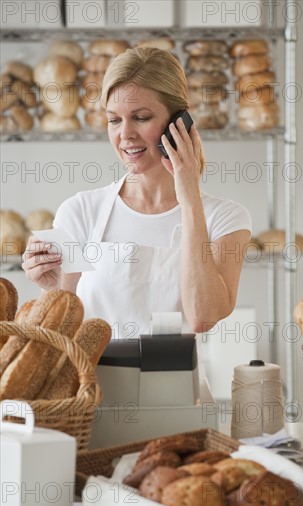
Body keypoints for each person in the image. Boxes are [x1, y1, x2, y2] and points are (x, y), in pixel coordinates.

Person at [22, 47, 252, 338]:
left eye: (141, 117)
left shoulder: (225, 218)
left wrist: (190, 198)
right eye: (114, 120)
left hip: (176, 383)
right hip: (95, 382)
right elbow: (63, 333)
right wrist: (51, 288)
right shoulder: (80, 211)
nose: (125, 134)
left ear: (178, 123)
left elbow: (203, 318)